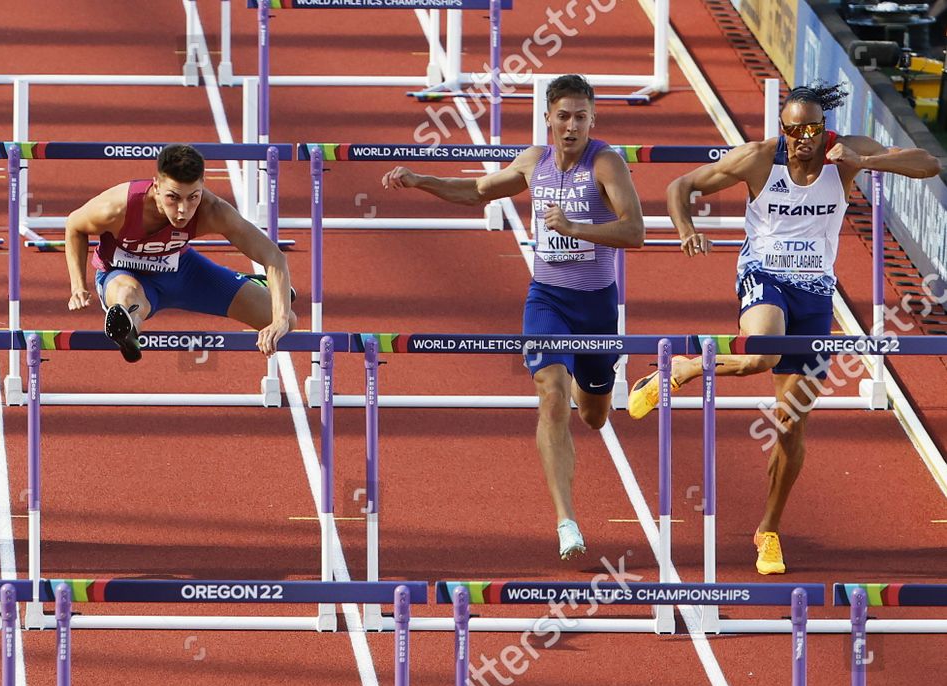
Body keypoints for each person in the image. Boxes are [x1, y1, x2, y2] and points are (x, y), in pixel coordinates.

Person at [637, 82, 941, 575]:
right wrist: (687, 229)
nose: (803, 139)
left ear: (823, 128)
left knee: (790, 424)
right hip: (764, 276)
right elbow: (681, 186)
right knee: (762, 353)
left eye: (812, 129)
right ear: (782, 130)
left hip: (816, 293)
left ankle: (769, 530)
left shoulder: (846, 153)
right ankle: (688, 367)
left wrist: (865, 162)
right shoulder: (759, 159)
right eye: (794, 131)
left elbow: (929, 164)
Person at [382, 74, 645, 560]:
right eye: (563, 117)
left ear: (593, 119)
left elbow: (635, 232)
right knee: (551, 394)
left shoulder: (605, 163)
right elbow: (475, 192)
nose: (571, 127)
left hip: (595, 307)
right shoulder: (533, 162)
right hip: (547, 300)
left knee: (594, 415)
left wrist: (575, 227)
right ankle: (567, 521)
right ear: (548, 118)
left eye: (581, 117)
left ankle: (594, 385)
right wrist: (422, 181)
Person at [64, 143, 295, 361]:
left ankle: (249, 283)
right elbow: (74, 225)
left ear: (202, 185)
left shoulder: (212, 211)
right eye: (173, 197)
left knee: (285, 320)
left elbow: (273, 256)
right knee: (126, 300)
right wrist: (78, 286)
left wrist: (281, 320)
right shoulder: (116, 208)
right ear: (157, 186)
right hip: (122, 273)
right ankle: (128, 332)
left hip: (183, 271)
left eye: (193, 197)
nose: (183, 210)